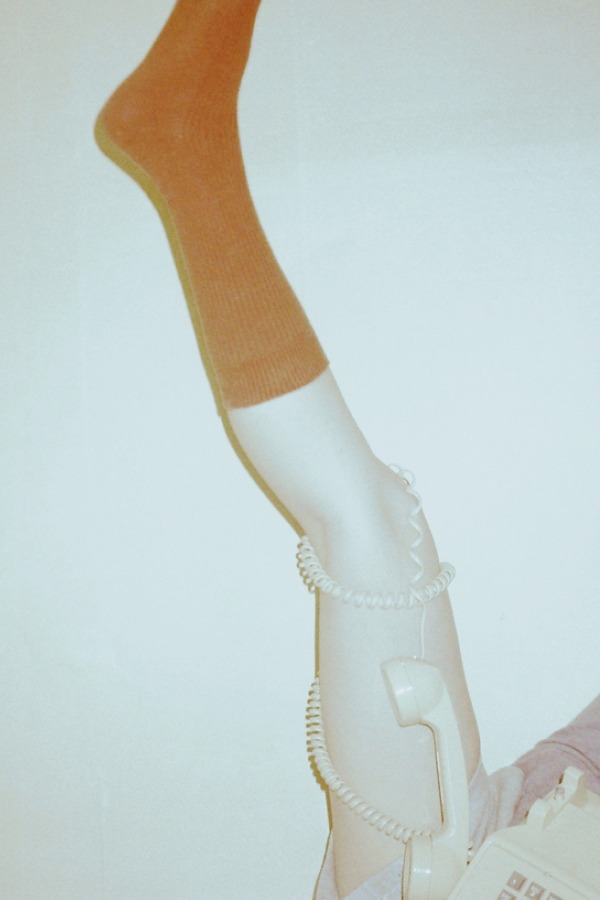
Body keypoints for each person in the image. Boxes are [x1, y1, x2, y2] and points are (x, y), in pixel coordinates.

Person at [95, 2, 600, 896]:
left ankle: (182, 140)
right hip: (510, 836)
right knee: (377, 523)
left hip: (466, 876)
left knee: (365, 524)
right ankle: (181, 135)